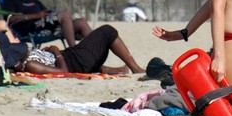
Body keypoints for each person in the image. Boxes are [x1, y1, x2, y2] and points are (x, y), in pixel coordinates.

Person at [14, 24, 145, 75]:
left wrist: (50, 52)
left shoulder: (28, 57)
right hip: (76, 61)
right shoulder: (30, 65)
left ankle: (119, 70)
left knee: (87, 28)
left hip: (74, 57)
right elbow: (63, 72)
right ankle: (135, 68)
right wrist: (57, 52)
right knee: (107, 31)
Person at [1, 0, 91, 47]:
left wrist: (49, 14)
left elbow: (46, 13)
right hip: (32, 29)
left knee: (81, 22)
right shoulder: (9, 1)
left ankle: (97, 51)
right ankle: (74, 50)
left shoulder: (34, 1)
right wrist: (35, 16)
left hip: (48, 26)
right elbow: (10, 19)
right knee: (65, 14)